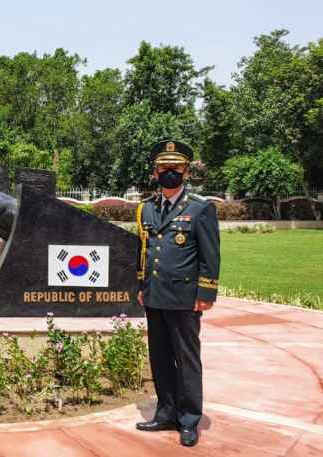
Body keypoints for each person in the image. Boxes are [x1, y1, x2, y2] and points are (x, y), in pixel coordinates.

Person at [134, 140, 220, 447]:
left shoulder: (200, 208)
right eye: (164, 167)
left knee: (186, 360)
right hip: (154, 295)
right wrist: (142, 286)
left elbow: (210, 255)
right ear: (155, 172)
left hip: (185, 298)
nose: (169, 171)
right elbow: (142, 252)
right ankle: (166, 412)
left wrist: (206, 292)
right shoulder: (146, 208)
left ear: (186, 171)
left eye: (176, 167)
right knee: (159, 357)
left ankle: (189, 419)